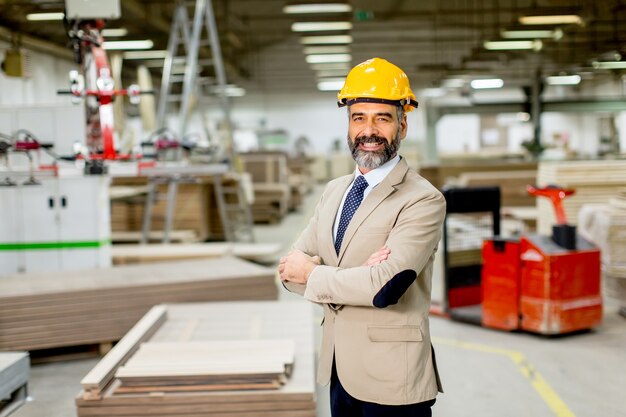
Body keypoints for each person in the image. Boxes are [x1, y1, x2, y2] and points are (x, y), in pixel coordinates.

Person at [278, 57, 446, 417]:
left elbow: (385, 288)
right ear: (349, 125)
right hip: (339, 371)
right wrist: (356, 277)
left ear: (403, 125)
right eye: (359, 118)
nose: (369, 130)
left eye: (382, 118)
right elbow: (288, 271)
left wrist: (315, 273)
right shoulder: (334, 191)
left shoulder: (422, 199)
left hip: (392, 379)